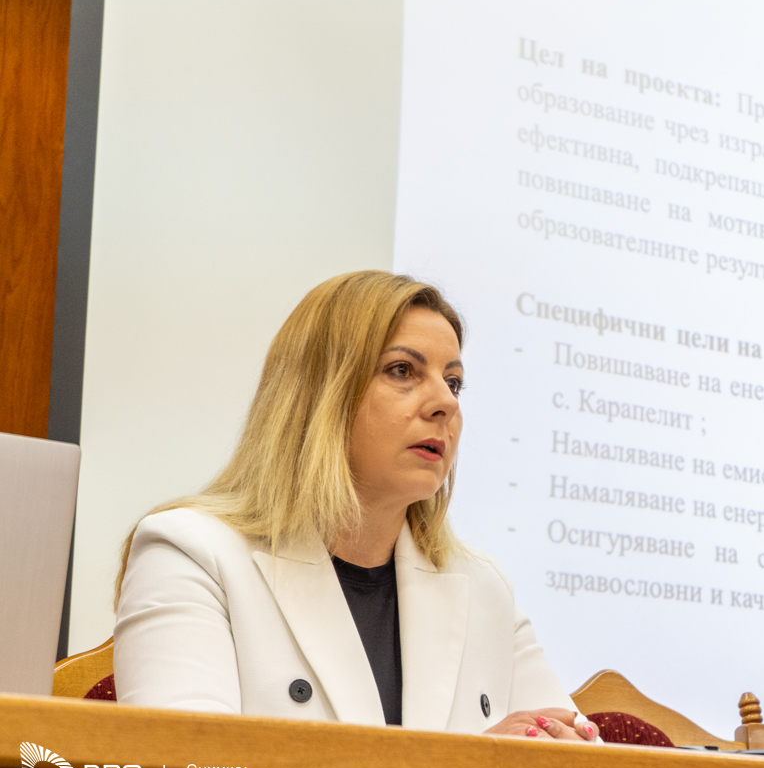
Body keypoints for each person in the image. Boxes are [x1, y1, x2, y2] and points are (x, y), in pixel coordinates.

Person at [113, 270, 596, 741]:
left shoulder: (482, 586)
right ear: (318, 393)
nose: (445, 404)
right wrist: (474, 766)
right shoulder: (190, 554)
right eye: (402, 371)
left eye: (453, 382)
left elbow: (584, 765)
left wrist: (558, 751)